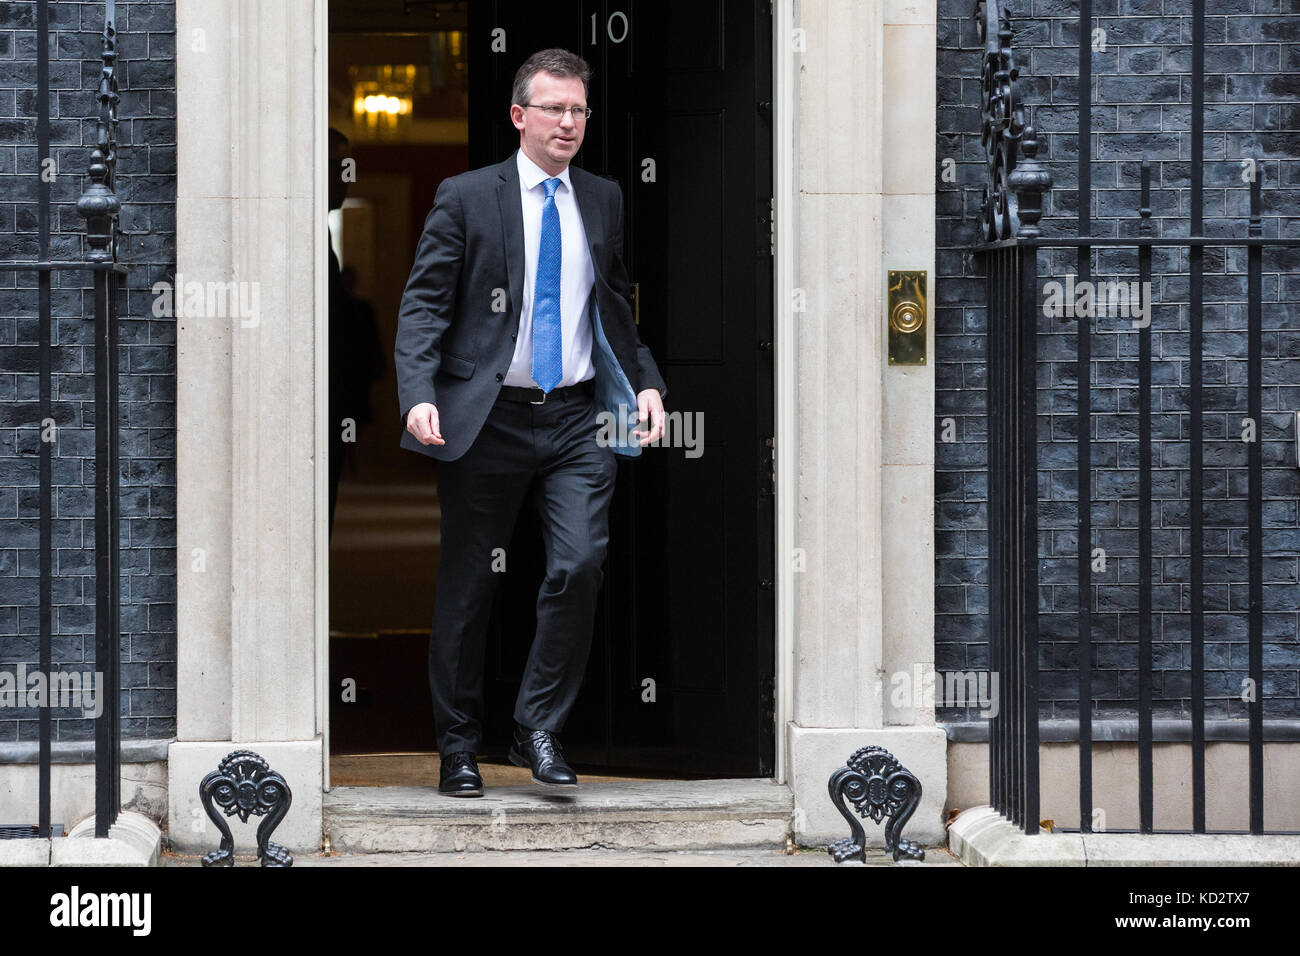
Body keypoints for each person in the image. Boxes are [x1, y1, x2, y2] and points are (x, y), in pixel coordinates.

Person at [394, 48, 667, 797]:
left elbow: (614, 305)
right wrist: (418, 390)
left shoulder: (604, 199)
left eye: (580, 110)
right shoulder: (466, 196)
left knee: (578, 564)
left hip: (577, 418)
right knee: (468, 589)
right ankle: (457, 747)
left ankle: (537, 728)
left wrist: (644, 382)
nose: (569, 123)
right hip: (487, 420)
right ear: (520, 116)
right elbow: (423, 304)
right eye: (555, 109)